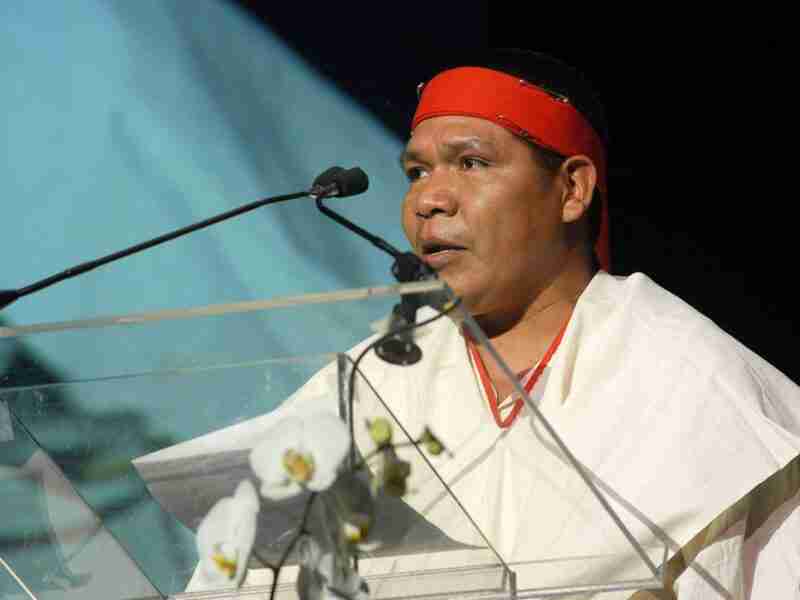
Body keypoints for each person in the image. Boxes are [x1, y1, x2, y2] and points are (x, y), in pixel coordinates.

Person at [176, 49, 800, 598]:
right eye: (417, 173)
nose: (428, 199)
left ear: (572, 190)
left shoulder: (697, 385)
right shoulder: (371, 382)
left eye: (471, 163)